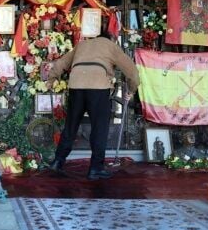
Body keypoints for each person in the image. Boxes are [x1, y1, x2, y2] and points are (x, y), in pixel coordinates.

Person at [46, 30, 140, 180]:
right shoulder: (111, 45)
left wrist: (51, 79)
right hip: (98, 88)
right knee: (99, 128)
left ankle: (58, 161)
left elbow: (62, 63)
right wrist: (132, 89)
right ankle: (96, 168)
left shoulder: (82, 45)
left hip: (76, 85)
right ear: (111, 39)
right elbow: (132, 71)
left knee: (71, 126)